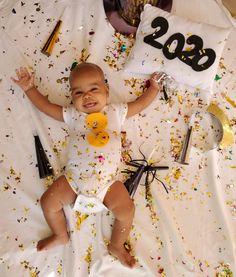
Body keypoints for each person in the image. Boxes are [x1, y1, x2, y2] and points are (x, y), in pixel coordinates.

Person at [11, 63, 164, 268]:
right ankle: (60, 234)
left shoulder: (115, 112)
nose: (87, 96)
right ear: (72, 98)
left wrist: (153, 89)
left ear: (106, 91)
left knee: (127, 210)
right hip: (74, 181)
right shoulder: (74, 116)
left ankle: (116, 245)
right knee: (48, 203)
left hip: (107, 185)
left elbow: (140, 104)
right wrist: (29, 88)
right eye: (78, 92)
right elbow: (47, 108)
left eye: (94, 89)